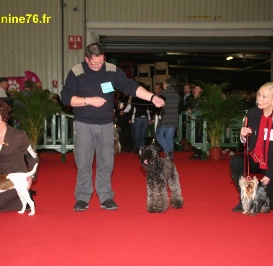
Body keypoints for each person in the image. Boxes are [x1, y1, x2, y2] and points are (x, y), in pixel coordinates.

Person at [60, 42, 164, 211]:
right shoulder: (76, 72)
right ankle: (82, 197)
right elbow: (65, 98)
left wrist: (151, 97)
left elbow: (131, 86)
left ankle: (106, 196)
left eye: (101, 61)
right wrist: (89, 100)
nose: (98, 66)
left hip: (106, 124)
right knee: (83, 162)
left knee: (106, 162)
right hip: (84, 124)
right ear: (87, 59)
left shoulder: (112, 70)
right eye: (95, 63)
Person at [230, 82, 273, 212]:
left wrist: (269, 176)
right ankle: (245, 199)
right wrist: (243, 136)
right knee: (236, 161)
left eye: (264, 97)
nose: (259, 99)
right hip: (256, 159)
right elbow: (247, 143)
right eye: (259, 95)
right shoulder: (252, 113)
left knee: (270, 205)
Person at [155, 77, 180, 161]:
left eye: (164, 83)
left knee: (158, 135)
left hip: (165, 118)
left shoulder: (163, 93)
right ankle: (170, 158)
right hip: (174, 119)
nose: (163, 85)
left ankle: (169, 152)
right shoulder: (177, 95)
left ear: (167, 84)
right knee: (169, 138)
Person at [188, 82, 204, 159]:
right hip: (194, 120)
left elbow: (201, 110)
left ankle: (199, 153)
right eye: (195, 89)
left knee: (198, 136)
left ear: (201, 90)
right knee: (193, 136)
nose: (196, 90)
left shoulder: (202, 99)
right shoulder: (193, 99)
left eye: (198, 89)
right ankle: (196, 152)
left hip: (200, 121)